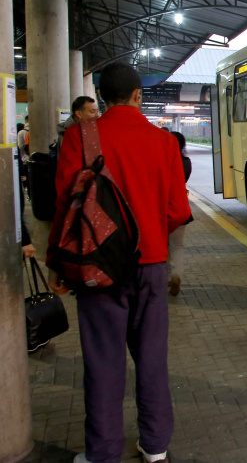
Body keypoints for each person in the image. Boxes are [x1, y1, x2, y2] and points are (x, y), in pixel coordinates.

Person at [48, 62, 191, 463]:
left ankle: (103, 451)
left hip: (98, 268)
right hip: (150, 266)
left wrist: (57, 264)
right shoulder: (163, 141)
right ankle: (155, 445)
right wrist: (147, 229)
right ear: (136, 95)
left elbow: (66, 207)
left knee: (103, 360)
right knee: (151, 357)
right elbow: (178, 210)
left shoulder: (80, 137)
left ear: (101, 96)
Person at [166, 131, 193, 296]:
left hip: (163, 209)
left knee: (164, 246)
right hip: (181, 207)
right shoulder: (186, 162)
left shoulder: (162, 161)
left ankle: (166, 276)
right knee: (178, 246)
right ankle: (177, 274)